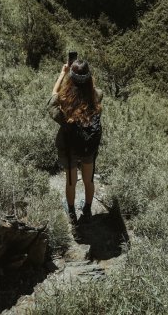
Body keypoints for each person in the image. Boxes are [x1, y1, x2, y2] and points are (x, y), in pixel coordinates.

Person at [48, 59, 103, 225]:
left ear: (71, 78)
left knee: (70, 182)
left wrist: (62, 74)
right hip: (88, 146)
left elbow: (52, 99)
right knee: (89, 180)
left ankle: (72, 213)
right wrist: (86, 81)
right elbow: (94, 90)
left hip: (69, 146)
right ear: (89, 78)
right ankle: (87, 210)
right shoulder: (96, 96)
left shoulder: (64, 100)